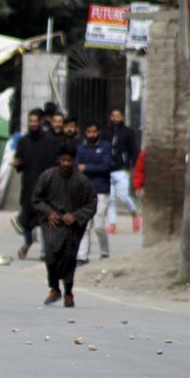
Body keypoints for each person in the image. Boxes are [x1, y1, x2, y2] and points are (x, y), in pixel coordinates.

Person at [32, 145, 98, 308]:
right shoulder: (47, 176)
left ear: (74, 161)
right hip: (52, 224)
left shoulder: (82, 181)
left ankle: (68, 292)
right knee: (51, 257)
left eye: (69, 160)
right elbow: (36, 199)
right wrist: (49, 213)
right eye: (63, 160)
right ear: (58, 160)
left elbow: (91, 204)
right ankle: (54, 288)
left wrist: (75, 216)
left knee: (69, 259)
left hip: (72, 227)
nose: (66, 163)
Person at [11, 109, 60, 260]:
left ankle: (45, 251)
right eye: (30, 121)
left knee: (45, 219)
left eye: (35, 121)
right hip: (28, 186)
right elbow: (19, 161)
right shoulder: (24, 141)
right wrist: (17, 163)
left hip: (46, 187)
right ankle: (28, 242)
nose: (33, 124)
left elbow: (55, 163)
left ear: (40, 122)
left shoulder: (50, 141)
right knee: (27, 219)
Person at [76, 122, 112, 264]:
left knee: (98, 225)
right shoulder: (80, 148)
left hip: (101, 191)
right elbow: (77, 167)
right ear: (85, 132)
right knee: (84, 226)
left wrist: (87, 168)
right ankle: (82, 256)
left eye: (94, 132)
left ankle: (104, 252)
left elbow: (105, 166)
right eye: (89, 131)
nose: (91, 134)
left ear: (98, 132)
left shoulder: (105, 147)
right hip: (84, 191)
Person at [103, 107, 141, 234]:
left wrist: (131, 167)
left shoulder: (128, 132)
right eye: (113, 116)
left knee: (123, 196)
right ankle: (112, 224)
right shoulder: (106, 133)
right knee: (110, 199)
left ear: (122, 117)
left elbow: (134, 151)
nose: (115, 118)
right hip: (108, 170)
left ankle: (134, 214)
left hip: (122, 169)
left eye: (117, 116)